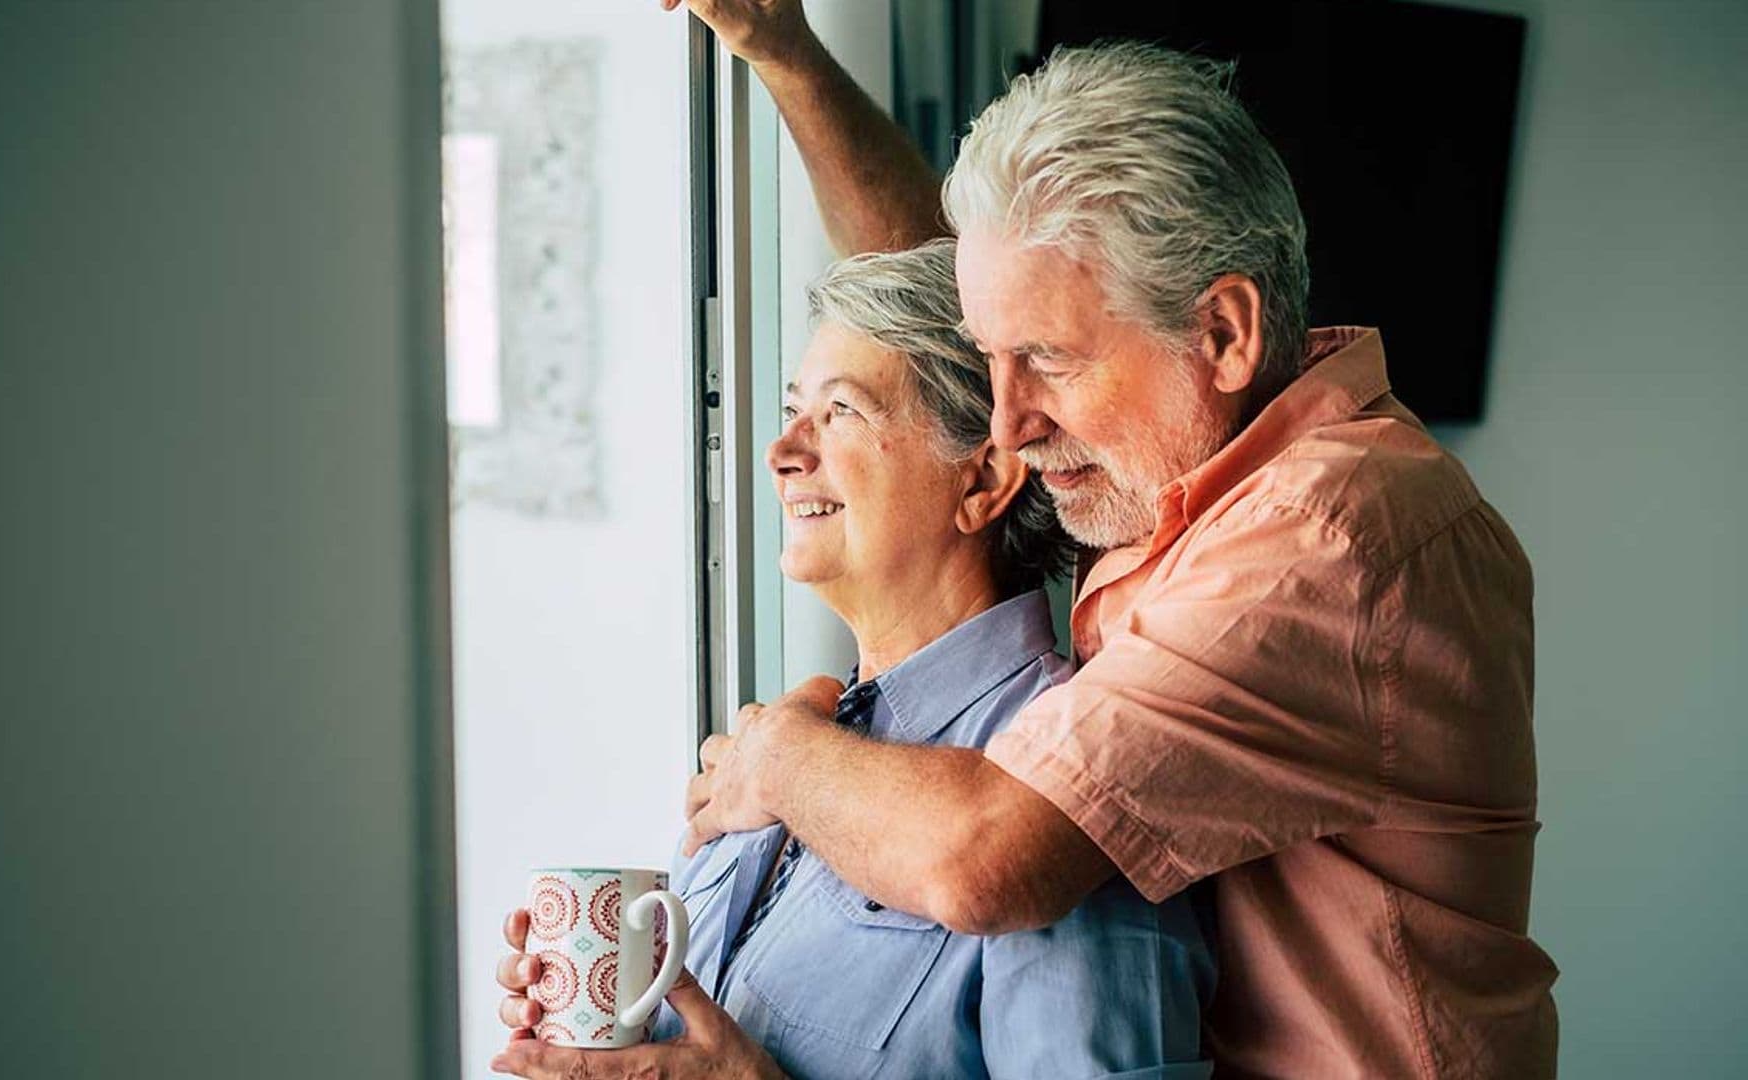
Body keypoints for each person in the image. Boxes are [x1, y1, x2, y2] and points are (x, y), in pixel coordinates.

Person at [649, 3, 1555, 1077]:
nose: (1008, 424)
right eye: (995, 362)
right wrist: (786, 55)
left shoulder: (1322, 537)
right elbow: (933, 305)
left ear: (1222, 334)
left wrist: (776, 753)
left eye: (1049, 362)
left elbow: (987, 860)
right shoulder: (1175, 452)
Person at [494, 242, 1215, 1079]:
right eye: (796, 406)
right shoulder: (764, 755)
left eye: (842, 411)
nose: (784, 449)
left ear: (984, 478)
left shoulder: (1063, 793)